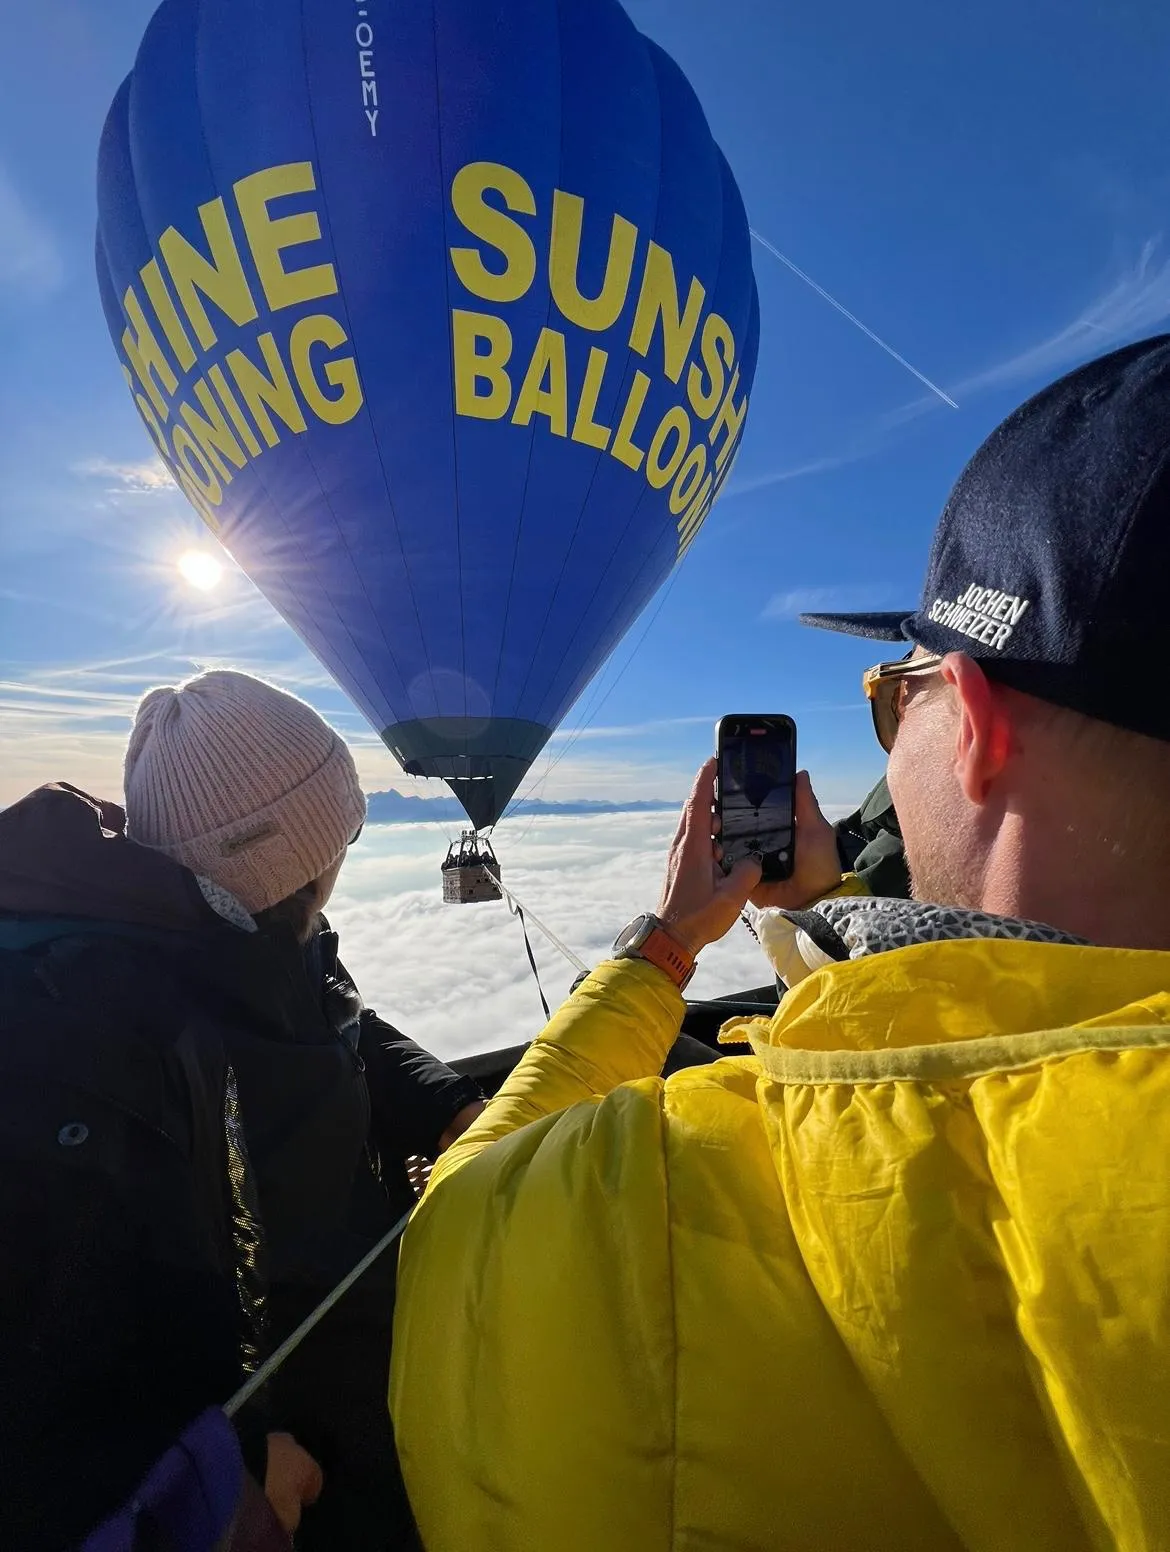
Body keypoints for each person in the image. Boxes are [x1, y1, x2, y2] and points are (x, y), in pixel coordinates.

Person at [390, 335, 1170, 1551]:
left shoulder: (640, 1219)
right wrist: (811, 917)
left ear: (971, 723)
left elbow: (462, 1223)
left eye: (890, 695)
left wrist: (667, 945)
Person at [0, 671, 480, 1550]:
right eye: (338, 832)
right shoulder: (92, 1039)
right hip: (301, 1445)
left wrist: (446, 1101)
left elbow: (344, 1021)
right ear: (286, 856)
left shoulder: (262, 932)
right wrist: (233, 1466)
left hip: (371, 1350)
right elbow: (51, 1388)